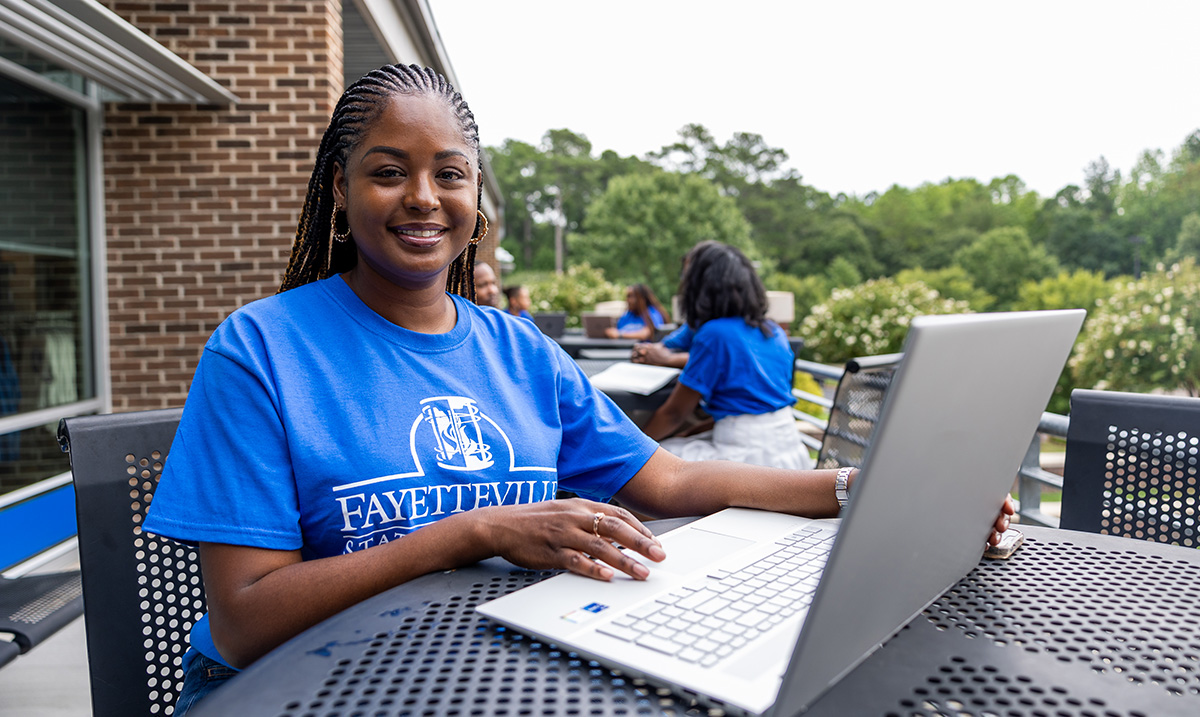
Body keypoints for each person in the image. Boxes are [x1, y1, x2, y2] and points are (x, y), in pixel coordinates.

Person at [141, 64, 1014, 715]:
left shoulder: (518, 350)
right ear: (340, 186)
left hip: (475, 675)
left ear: (475, 194)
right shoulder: (259, 350)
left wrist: (863, 488)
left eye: (449, 172)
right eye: (386, 170)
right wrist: (472, 531)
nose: (423, 197)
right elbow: (247, 618)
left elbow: (664, 479)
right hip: (304, 690)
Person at [641, 241, 812, 470]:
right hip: (789, 453)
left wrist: (631, 450)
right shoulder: (773, 331)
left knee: (650, 471)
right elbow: (757, 403)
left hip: (745, 457)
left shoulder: (714, 335)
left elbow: (674, 413)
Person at [605, 283, 669, 340]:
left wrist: (619, 335)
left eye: (630, 296)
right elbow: (616, 331)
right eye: (627, 296)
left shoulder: (652, 313)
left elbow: (645, 334)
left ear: (642, 298)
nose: (627, 300)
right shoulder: (627, 316)